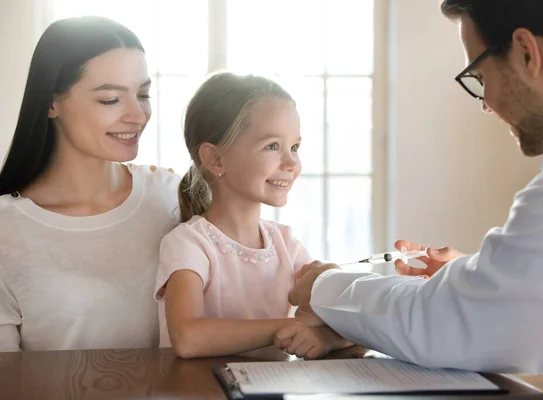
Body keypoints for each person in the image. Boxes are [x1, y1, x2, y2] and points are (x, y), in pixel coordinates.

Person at [277, 1, 543, 399]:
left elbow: (448, 324)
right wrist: (480, 274)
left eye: (479, 77)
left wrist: (324, 286)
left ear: (526, 53)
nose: (485, 106)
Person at [0, 17, 180, 351]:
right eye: (110, 99)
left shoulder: (173, 197)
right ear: (52, 102)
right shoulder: (6, 230)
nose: (138, 115)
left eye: (143, 94)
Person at [154, 72, 351, 359]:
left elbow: (349, 326)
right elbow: (187, 337)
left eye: (294, 147)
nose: (292, 163)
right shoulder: (188, 243)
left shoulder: (287, 243)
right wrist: (294, 326)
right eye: (272, 146)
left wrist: (326, 335)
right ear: (215, 159)